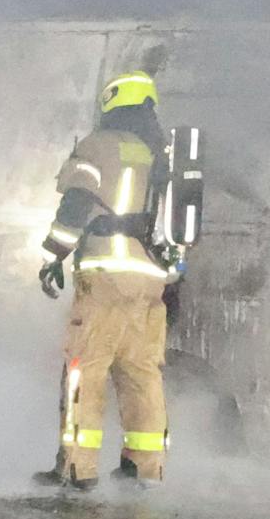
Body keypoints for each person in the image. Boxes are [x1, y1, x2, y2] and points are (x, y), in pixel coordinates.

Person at [35, 71, 176, 490]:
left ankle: (77, 469)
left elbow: (76, 203)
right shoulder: (161, 156)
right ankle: (145, 468)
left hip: (106, 277)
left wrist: (52, 257)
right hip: (151, 282)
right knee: (142, 373)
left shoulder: (99, 147)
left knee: (85, 369)